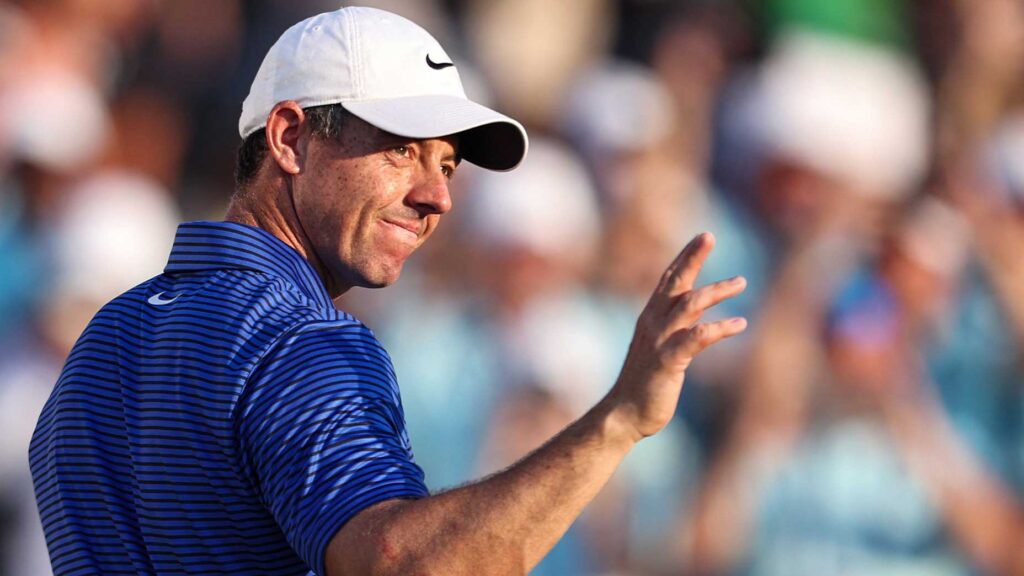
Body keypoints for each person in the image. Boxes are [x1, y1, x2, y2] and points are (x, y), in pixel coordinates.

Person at [28, 7, 748, 575]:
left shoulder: (108, 335)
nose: (437, 196)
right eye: (402, 149)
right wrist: (620, 419)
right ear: (288, 137)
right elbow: (406, 566)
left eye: (449, 165)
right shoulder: (299, 343)